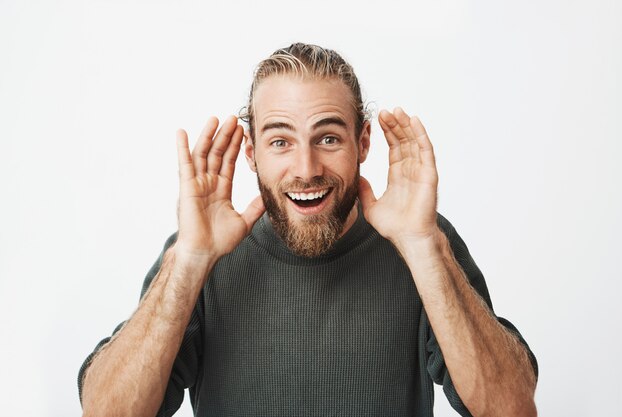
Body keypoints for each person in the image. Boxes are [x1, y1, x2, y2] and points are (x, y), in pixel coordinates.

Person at [78, 43, 538, 417]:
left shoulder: (422, 243)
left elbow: (512, 409)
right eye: (280, 141)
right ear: (253, 153)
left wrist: (423, 248)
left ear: (362, 144)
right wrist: (189, 261)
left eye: (329, 138)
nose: (306, 168)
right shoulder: (197, 255)